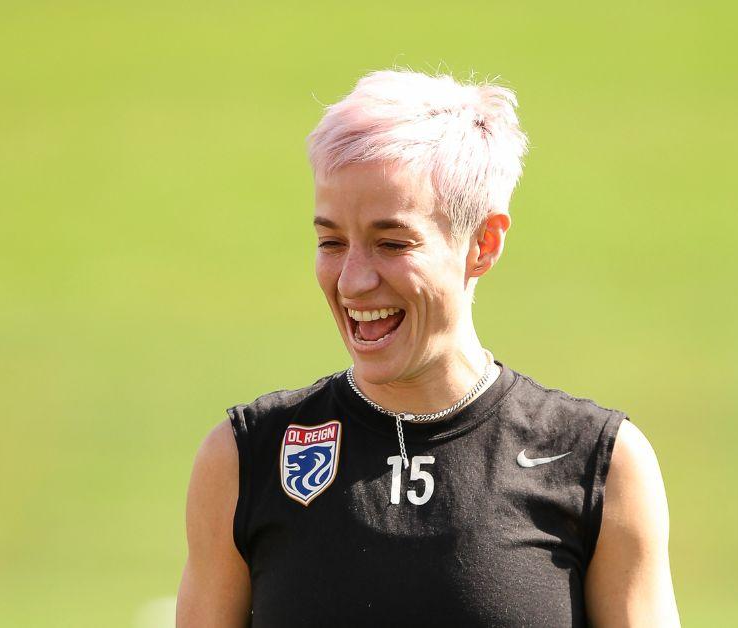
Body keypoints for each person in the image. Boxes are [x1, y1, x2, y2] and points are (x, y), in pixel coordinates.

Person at [177, 69, 680, 627]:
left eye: (392, 243)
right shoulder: (245, 460)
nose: (351, 281)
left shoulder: (597, 465)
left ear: (483, 245)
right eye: (331, 241)